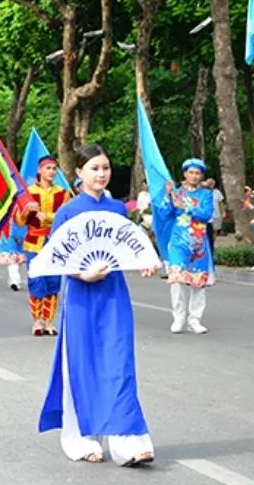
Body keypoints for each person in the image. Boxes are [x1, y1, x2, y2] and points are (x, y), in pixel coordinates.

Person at [37, 144, 156, 467]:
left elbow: (128, 248)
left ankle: (128, 443)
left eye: (105, 168)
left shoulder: (117, 209)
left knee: (119, 364)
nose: (101, 174)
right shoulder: (68, 212)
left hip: (114, 296)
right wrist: (82, 273)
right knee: (83, 364)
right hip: (80, 297)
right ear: (79, 173)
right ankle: (82, 439)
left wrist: (144, 263)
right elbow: (54, 257)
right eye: (94, 168)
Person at [157, 158, 214, 334]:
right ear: (185, 174)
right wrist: (167, 196)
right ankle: (178, 318)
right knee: (177, 280)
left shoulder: (206, 195)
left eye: (197, 173)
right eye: (191, 172)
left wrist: (186, 207)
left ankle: (195, 320)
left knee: (198, 282)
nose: (194, 176)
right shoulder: (177, 193)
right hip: (178, 243)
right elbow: (164, 213)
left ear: (201, 176)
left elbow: (206, 214)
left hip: (198, 244)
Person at [14, 155, 70, 336]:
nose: (51, 172)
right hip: (34, 242)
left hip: (54, 243)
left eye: (54, 168)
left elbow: (67, 216)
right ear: (39, 170)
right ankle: (37, 320)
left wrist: (49, 217)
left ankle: (49, 321)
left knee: (53, 281)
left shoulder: (62, 193)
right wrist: (26, 211)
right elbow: (19, 221)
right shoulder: (29, 192)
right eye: (48, 168)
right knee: (37, 280)